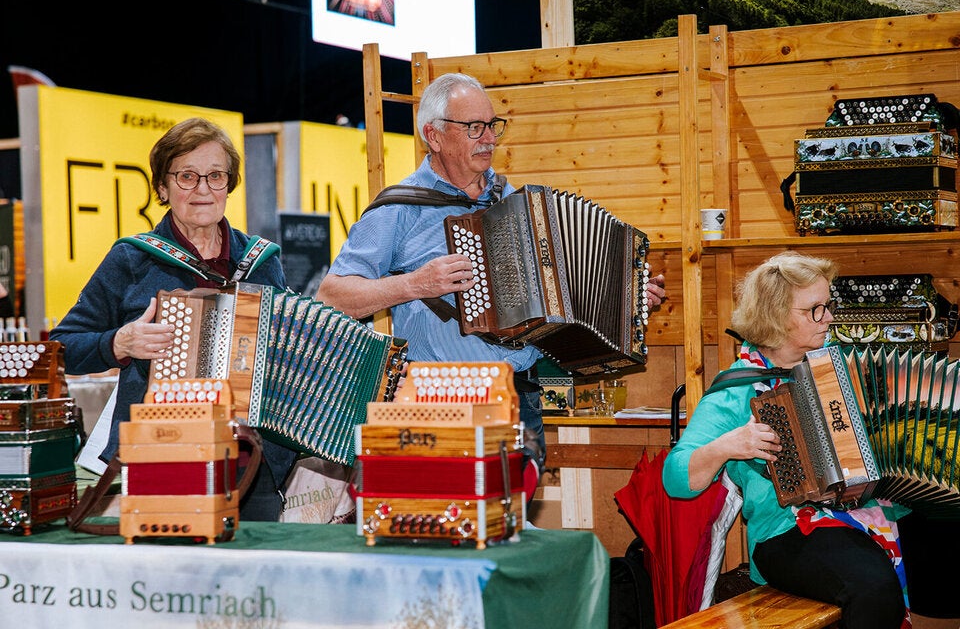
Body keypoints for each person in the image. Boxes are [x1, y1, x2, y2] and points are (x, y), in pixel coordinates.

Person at [316, 72, 667, 501]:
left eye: (492, 125)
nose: (488, 138)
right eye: (473, 128)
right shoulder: (400, 208)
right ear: (435, 135)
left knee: (506, 531)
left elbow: (561, 292)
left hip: (521, 399)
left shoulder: (512, 199)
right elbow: (331, 296)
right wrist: (414, 283)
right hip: (442, 401)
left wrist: (626, 296)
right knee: (451, 527)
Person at [50, 117, 297, 521]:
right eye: (187, 176)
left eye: (216, 176)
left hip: (252, 460)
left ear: (229, 184)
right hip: (161, 453)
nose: (203, 189)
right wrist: (119, 343)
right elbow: (62, 348)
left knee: (253, 578)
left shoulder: (261, 262)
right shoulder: (132, 258)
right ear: (162, 188)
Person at [662, 251, 907, 629]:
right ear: (776, 315)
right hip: (788, 533)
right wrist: (728, 445)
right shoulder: (734, 391)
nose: (828, 317)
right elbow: (676, 479)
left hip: (874, 506)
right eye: (814, 309)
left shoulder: (843, 364)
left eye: (828, 305)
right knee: (871, 587)